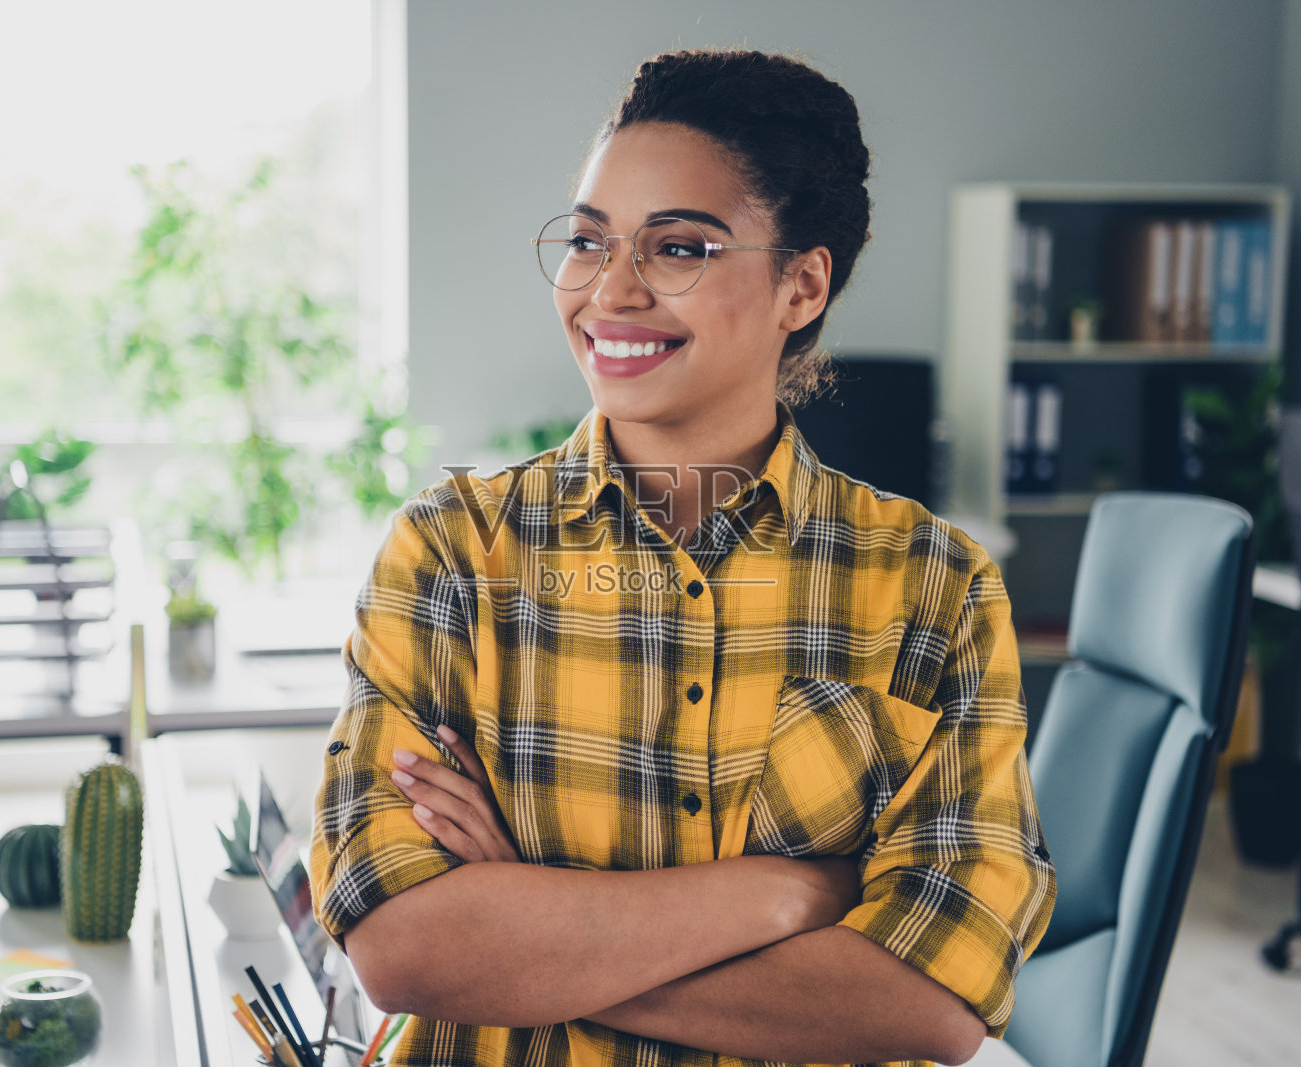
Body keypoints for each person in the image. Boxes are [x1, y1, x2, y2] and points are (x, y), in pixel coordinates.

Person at [312, 49, 1056, 1067]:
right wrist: (787, 893)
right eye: (587, 240)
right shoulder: (449, 552)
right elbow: (404, 947)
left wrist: (534, 925)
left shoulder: (936, 587)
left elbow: (932, 1000)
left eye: (679, 249)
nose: (609, 290)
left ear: (801, 285)